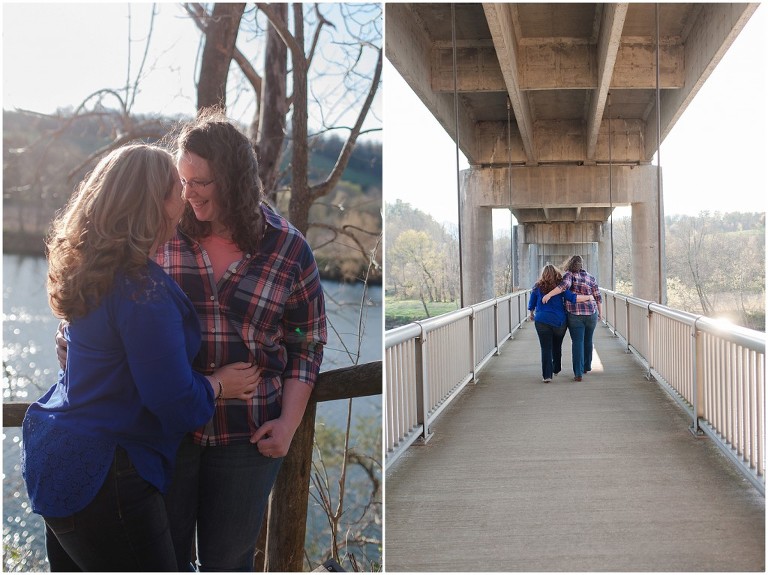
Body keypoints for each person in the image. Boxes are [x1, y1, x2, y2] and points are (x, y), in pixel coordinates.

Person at [23, 144, 259, 571]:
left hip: (57, 458)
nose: (185, 199)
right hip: (103, 475)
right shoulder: (142, 291)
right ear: (154, 203)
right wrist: (219, 383)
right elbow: (173, 402)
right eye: (176, 189)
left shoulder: (92, 268)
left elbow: (100, 351)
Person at [158, 109, 327, 571]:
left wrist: (289, 423)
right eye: (183, 180)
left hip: (247, 436)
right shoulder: (162, 233)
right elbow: (108, 297)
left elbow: (307, 344)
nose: (187, 193)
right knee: (164, 559)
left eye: (202, 183)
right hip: (168, 428)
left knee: (228, 563)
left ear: (234, 181)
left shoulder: (288, 249)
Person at [528, 264, 595, 382]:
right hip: (559, 322)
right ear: (556, 274)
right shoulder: (560, 287)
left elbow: (531, 304)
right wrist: (589, 297)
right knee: (557, 345)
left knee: (545, 348)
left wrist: (532, 314)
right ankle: (557, 367)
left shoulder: (537, 286)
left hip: (542, 321)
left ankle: (547, 376)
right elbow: (573, 298)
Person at [542, 255, 603, 381]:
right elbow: (598, 297)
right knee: (588, 340)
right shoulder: (591, 277)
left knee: (577, 342)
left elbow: (562, 287)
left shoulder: (569, 275)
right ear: (581, 265)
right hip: (591, 313)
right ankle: (586, 366)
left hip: (575, 314)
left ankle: (578, 373)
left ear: (570, 264)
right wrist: (600, 313)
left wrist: (548, 294)